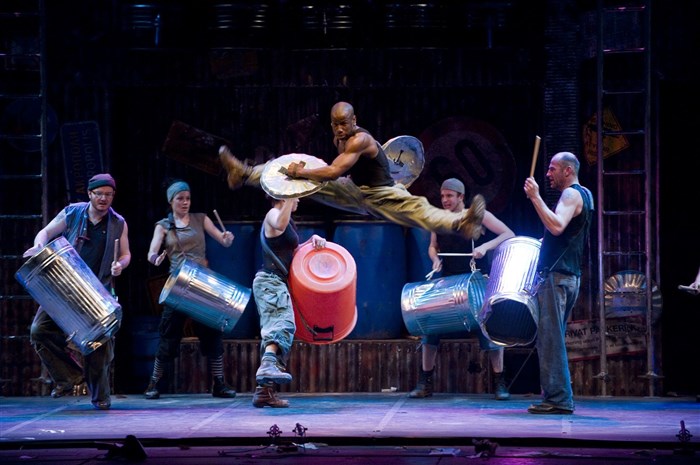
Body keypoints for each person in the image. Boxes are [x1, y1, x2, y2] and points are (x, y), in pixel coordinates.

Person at [219, 101, 486, 241]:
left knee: (418, 209)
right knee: (298, 173)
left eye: (344, 123)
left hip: (381, 194)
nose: (339, 129)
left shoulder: (360, 139)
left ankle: (460, 222)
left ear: (354, 120)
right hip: (355, 189)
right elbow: (335, 172)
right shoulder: (340, 137)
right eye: (335, 124)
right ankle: (244, 174)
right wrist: (304, 173)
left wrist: (303, 173)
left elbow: (333, 172)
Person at [24, 173, 131, 410]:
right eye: (99, 194)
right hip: (65, 286)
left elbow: (126, 254)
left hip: (96, 291)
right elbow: (45, 232)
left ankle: (100, 397)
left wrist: (120, 264)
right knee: (39, 330)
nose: (103, 198)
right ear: (90, 194)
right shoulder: (73, 212)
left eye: (108, 194)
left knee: (98, 345)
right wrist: (39, 245)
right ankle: (69, 377)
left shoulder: (118, 223)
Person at [408, 178, 515, 400]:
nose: (445, 200)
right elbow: (432, 246)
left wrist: (485, 246)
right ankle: (425, 382)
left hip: (475, 283)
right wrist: (435, 259)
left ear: (461, 197)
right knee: (430, 325)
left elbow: (508, 234)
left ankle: (500, 381)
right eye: (442, 196)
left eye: (449, 196)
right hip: (448, 283)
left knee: (489, 328)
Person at [143, 180, 237, 400]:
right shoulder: (163, 226)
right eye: (180, 199)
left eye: (188, 198)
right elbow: (151, 253)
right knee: (168, 334)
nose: (185, 202)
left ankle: (219, 383)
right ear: (171, 201)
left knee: (212, 333)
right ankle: (153, 383)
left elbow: (222, 240)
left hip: (203, 284)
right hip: (178, 286)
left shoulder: (201, 218)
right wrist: (155, 258)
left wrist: (226, 239)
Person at [523, 152, 594, 415]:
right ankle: (557, 396)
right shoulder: (585, 194)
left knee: (550, 340)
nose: (548, 174)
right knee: (552, 339)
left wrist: (535, 197)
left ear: (567, 170)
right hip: (568, 276)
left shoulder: (571, 194)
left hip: (558, 277)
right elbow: (564, 235)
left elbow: (557, 226)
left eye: (553, 169)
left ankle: (559, 399)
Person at [252, 196, 327, 408]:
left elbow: (288, 252)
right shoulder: (274, 214)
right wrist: (289, 197)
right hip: (270, 282)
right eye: (296, 195)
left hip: (275, 282)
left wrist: (310, 242)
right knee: (281, 325)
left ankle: (264, 392)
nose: (299, 199)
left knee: (277, 330)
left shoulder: (286, 220)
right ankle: (267, 366)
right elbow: (279, 223)